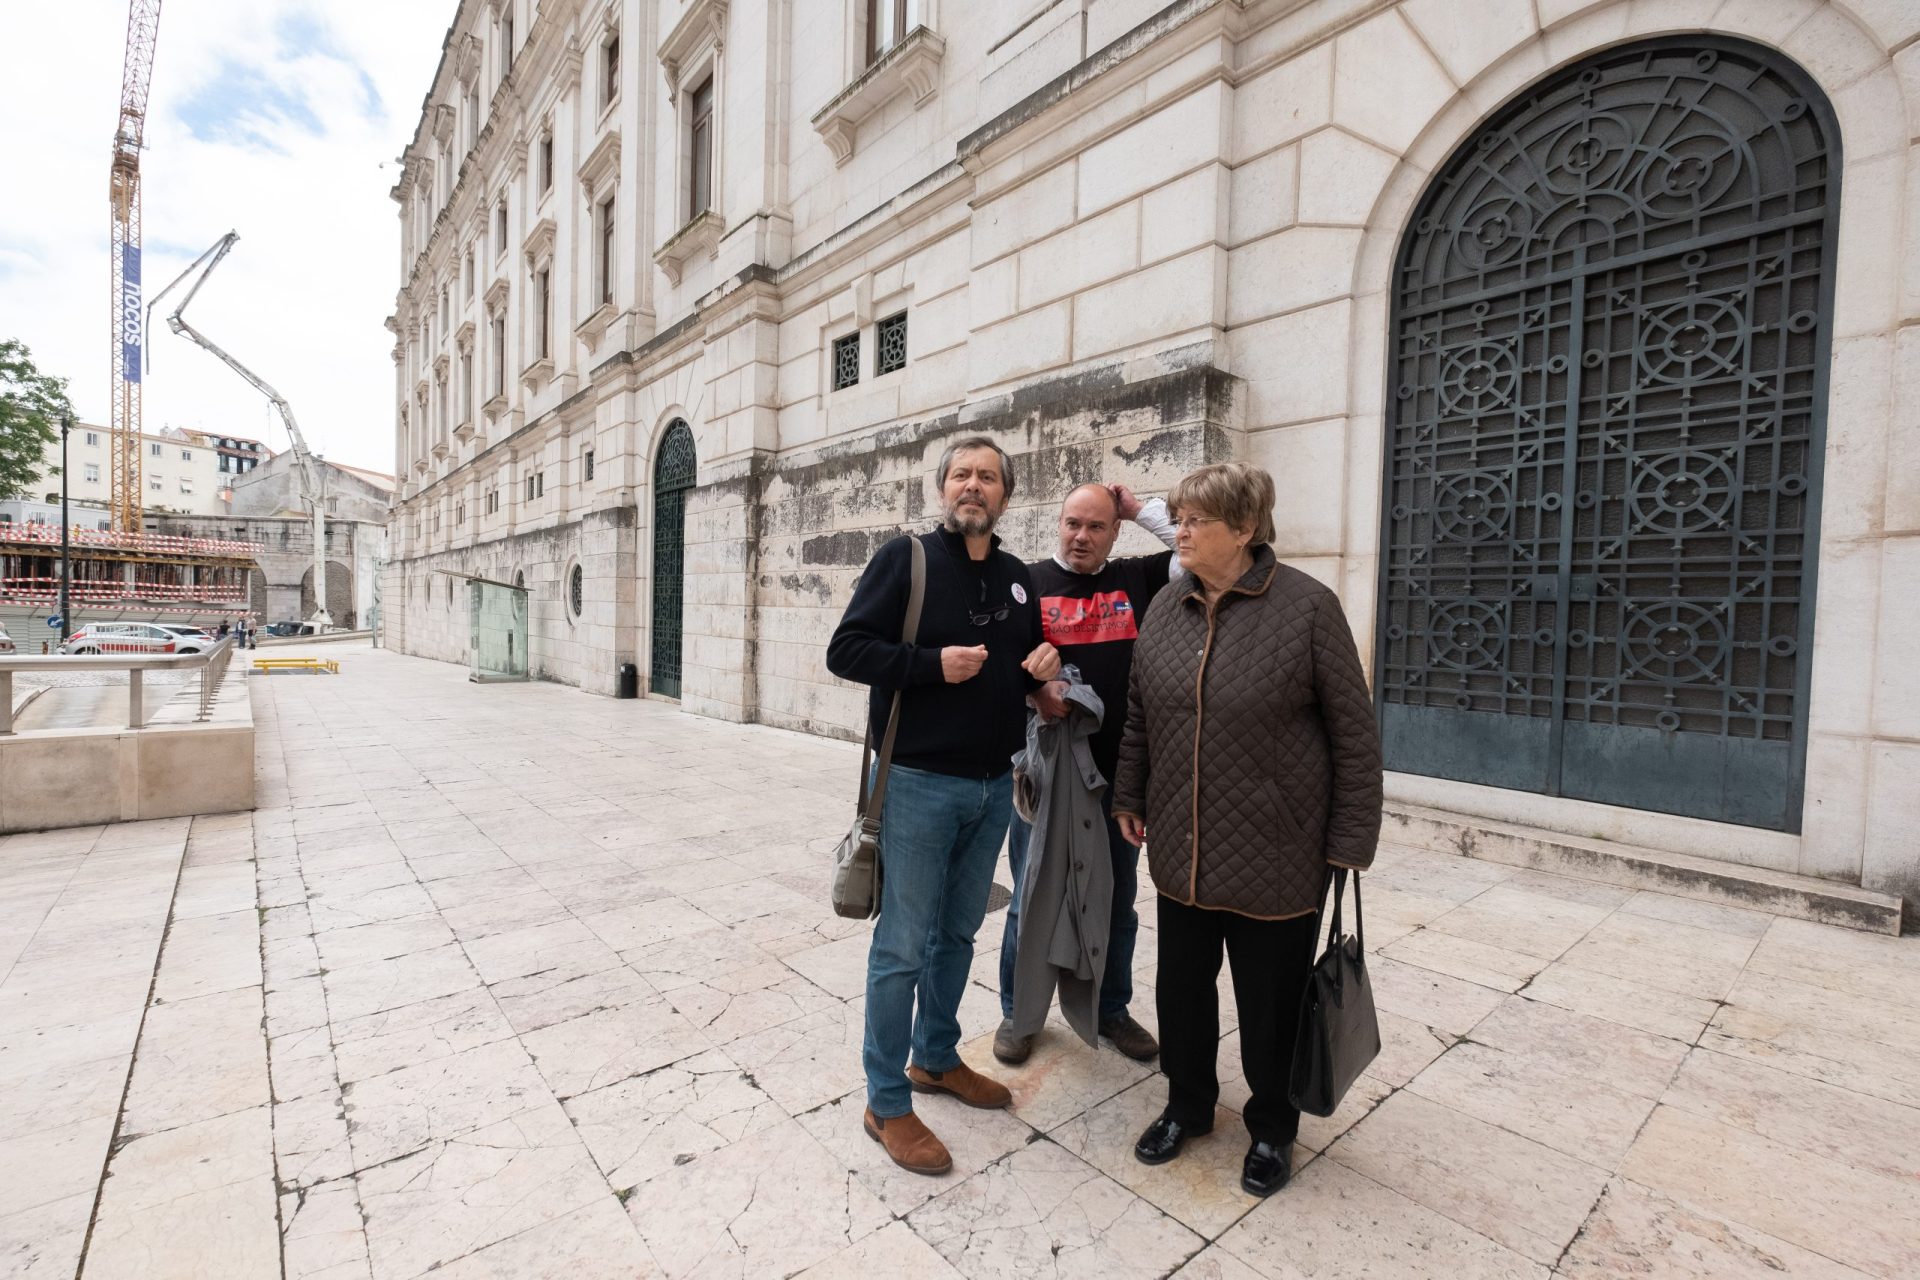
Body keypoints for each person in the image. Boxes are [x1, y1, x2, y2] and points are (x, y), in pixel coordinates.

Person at [1112, 462, 1383, 1198]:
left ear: (1246, 529)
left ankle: (1272, 1127)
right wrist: (1129, 793)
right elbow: (1140, 717)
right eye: (1178, 516)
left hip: (1279, 852)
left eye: (1196, 519)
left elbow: (1354, 735)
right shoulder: (1168, 607)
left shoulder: (1309, 608)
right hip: (1183, 846)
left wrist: (1349, 843)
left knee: (1270, 1003)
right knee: (1182, 991)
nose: (1182, 530)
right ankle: (1188, 1104)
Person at [826, 435, 1061, 1177]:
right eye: (961, 474)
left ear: (1005, 494)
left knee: (957, 934)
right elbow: (847, 650)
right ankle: (886, 1100)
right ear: (942, 489)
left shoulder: (1021, 580)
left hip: (994, 788)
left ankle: (935, 1057)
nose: (973, 486)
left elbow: (1024, 673)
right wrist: (930, 666)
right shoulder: (908, 560)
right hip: (918, 785)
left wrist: (1043, 675)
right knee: (901, 946)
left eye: (987, 477)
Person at [995, 483, 1177, 1066]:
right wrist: (1031, 692)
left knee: (1117, 899)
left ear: (1114, 533)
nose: (1082, 536)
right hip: (1047, 777)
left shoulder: (1138, 579)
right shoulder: (1025, 584)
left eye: (1097, 526)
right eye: (1073, 522)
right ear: (1058, 522)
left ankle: (1110, 1010)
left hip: (1121, 780)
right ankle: (1017, 1013)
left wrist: (1138, 508)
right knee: (1029, 898)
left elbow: (1196, 550)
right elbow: (996, 669)